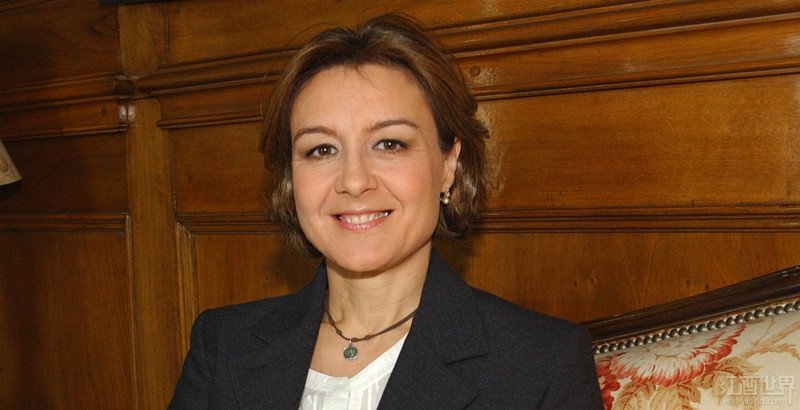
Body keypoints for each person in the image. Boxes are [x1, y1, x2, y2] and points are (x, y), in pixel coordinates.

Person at [169, 13, 602, 409]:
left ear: (448, 164)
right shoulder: (223, 346)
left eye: (389, 144)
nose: (354, 180)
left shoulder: (541, 365)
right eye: (322, 149)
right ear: (290, 177)